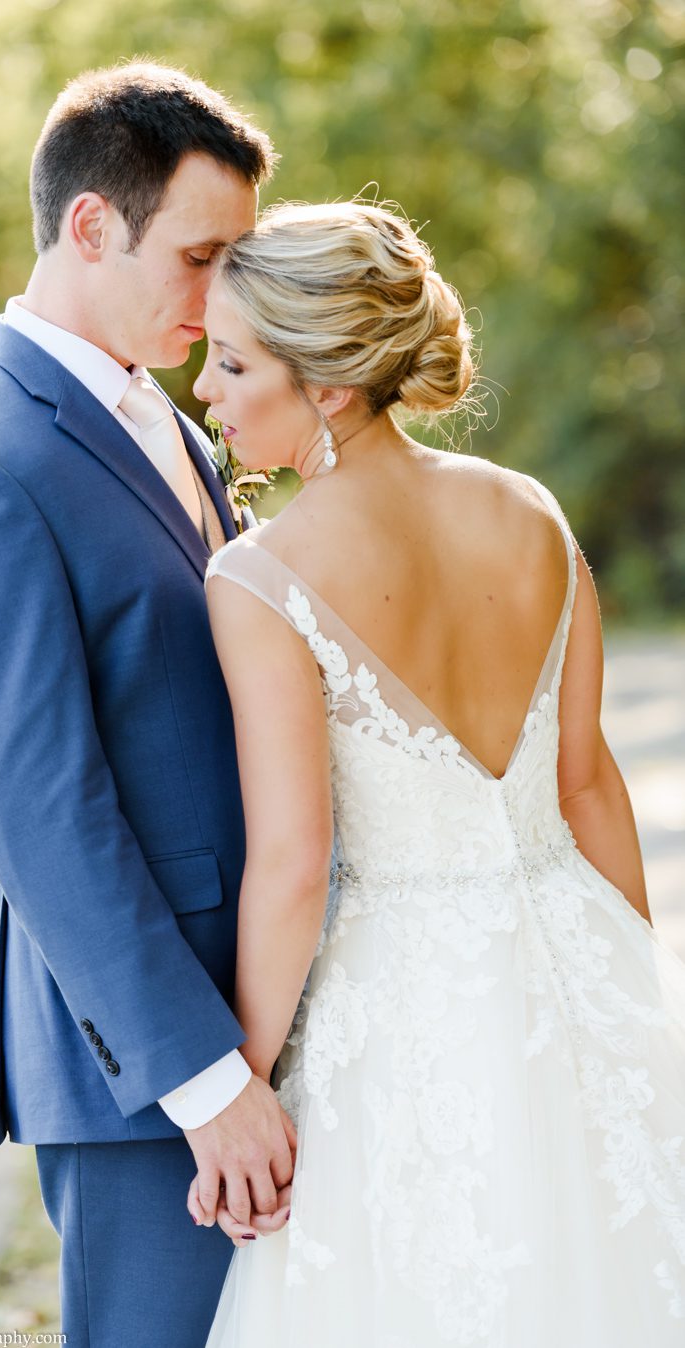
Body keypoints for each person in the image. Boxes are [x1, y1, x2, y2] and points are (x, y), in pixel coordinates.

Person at [188, 200, 685, 1346]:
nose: (205, 392)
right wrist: (632, 992)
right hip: (578, 961)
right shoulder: (533, 512)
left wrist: (240, 1087)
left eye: (231, 361)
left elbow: (293, 866)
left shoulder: (260, 577)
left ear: (327, 385)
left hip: (402, 1012)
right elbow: (589, 785)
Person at [0, 63, 295, 1348]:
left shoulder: (172, 418)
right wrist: (201, 1074)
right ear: (94, 226)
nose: (223, 293)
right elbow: (35, 811)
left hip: (265, 1001)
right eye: (200, 254)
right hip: (149, 1075)